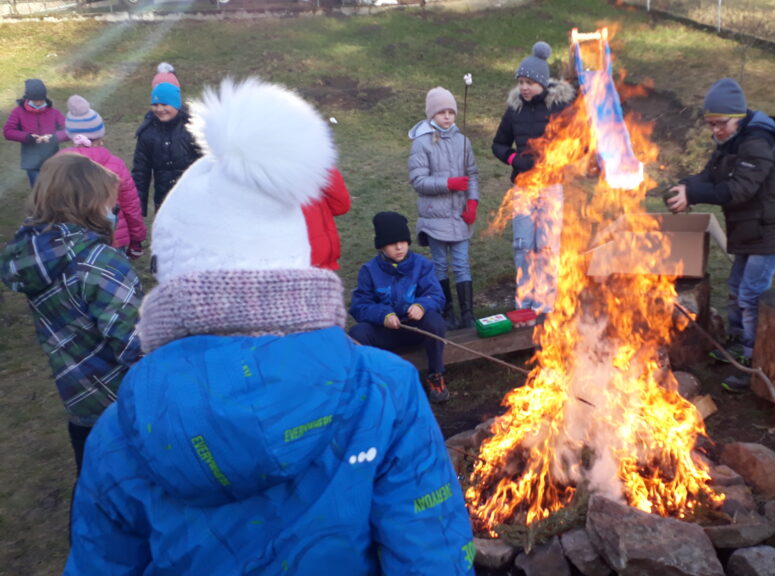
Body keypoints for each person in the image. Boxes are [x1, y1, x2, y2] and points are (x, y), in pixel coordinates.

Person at [63, 78, 475, 575]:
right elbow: (433, 556)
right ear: (296, 257)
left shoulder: (117, 435)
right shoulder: (386, 391)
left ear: (170, 277)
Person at [0, 154, 143, 475]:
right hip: (121, 400)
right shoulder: (99, 263)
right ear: (87, 203)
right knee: (132, 488)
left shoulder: (35, 254)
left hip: (77, 396)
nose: (113, 212)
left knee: (92, 484)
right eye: (108, 204)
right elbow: (135, 344)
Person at [665, 77, 775, 392]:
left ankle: (755, 363)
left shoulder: (757, 142)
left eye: (721, 123)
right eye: (711, 124)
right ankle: (739, 344)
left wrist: (694, 194)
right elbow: (711, 175)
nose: (716, 130)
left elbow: (740, 189)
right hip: (750, 229)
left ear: (738, 117)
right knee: (737, 287)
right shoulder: (731, 140)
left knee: (751, 294)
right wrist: (684, 186)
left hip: (769, 230)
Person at [492, 41, 576, 313]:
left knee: (547, 246)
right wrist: (514, 160)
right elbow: (499, 145)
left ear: (541, 83)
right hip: (523, 188)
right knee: (523, 245)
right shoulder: (514, 110)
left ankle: (546, 303)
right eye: (520, 82)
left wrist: (557, 158)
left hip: (551, 186)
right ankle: (524, 302)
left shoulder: (561, 107)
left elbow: (580, 144)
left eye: (529, 82)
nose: (524, 87)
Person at [349, 211, 451, 404]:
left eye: (403, 241)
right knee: (357, 333)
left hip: (416, 329)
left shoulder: (422, 265)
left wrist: (422, 305)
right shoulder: (369, 271)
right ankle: (374, 383)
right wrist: (383, 315)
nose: (399, 247)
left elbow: (437, 296)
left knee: (435, 322)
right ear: (381, 246)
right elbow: (359, 306)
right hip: (385, 332)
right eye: (392, 243)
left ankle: (436, 374)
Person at [409, 86, 480, 329]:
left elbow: (472, 174)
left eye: (451, 112)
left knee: (461, 264)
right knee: (440, 264)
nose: (447, 116)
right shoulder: (421, 144)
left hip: (459, 216)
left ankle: (468, 314)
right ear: (432, 114)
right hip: (434, 218)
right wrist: (448, 183)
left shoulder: (463, 141)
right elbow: (418, 181)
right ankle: (447, 311)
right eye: (442, 112)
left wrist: (472, 202)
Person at [59, 95, 147, 260]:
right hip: (113, 238)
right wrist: (137, 238)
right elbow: (130, 205)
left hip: (72, 241)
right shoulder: (116, 165)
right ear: (100, 136)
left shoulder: (58, 164)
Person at [131, 63, 201, 216]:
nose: (159, 109)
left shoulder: (193, 127)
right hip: (164, 201)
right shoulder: (147, 133)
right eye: (155, 105)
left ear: (176, 104)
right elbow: (140, 172)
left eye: (164, 104)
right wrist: (138, 209)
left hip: (194, 199)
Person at [3, 78, 69, 187]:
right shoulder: (18, 112)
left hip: (52, 157)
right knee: (37, 188)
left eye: (41, 100)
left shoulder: (54, 112)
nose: (38, 103)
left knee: (55, 188)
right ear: (28, 98)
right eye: (35, 101)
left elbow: (68, 130)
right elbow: (8, 131)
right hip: (31, 160)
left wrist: (54, 137)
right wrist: (27, 137)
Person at [302, 166, 351, 270]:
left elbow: (340, 207)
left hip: (316, 261)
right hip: (313, 261)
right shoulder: (309, 168)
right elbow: (340, 206)